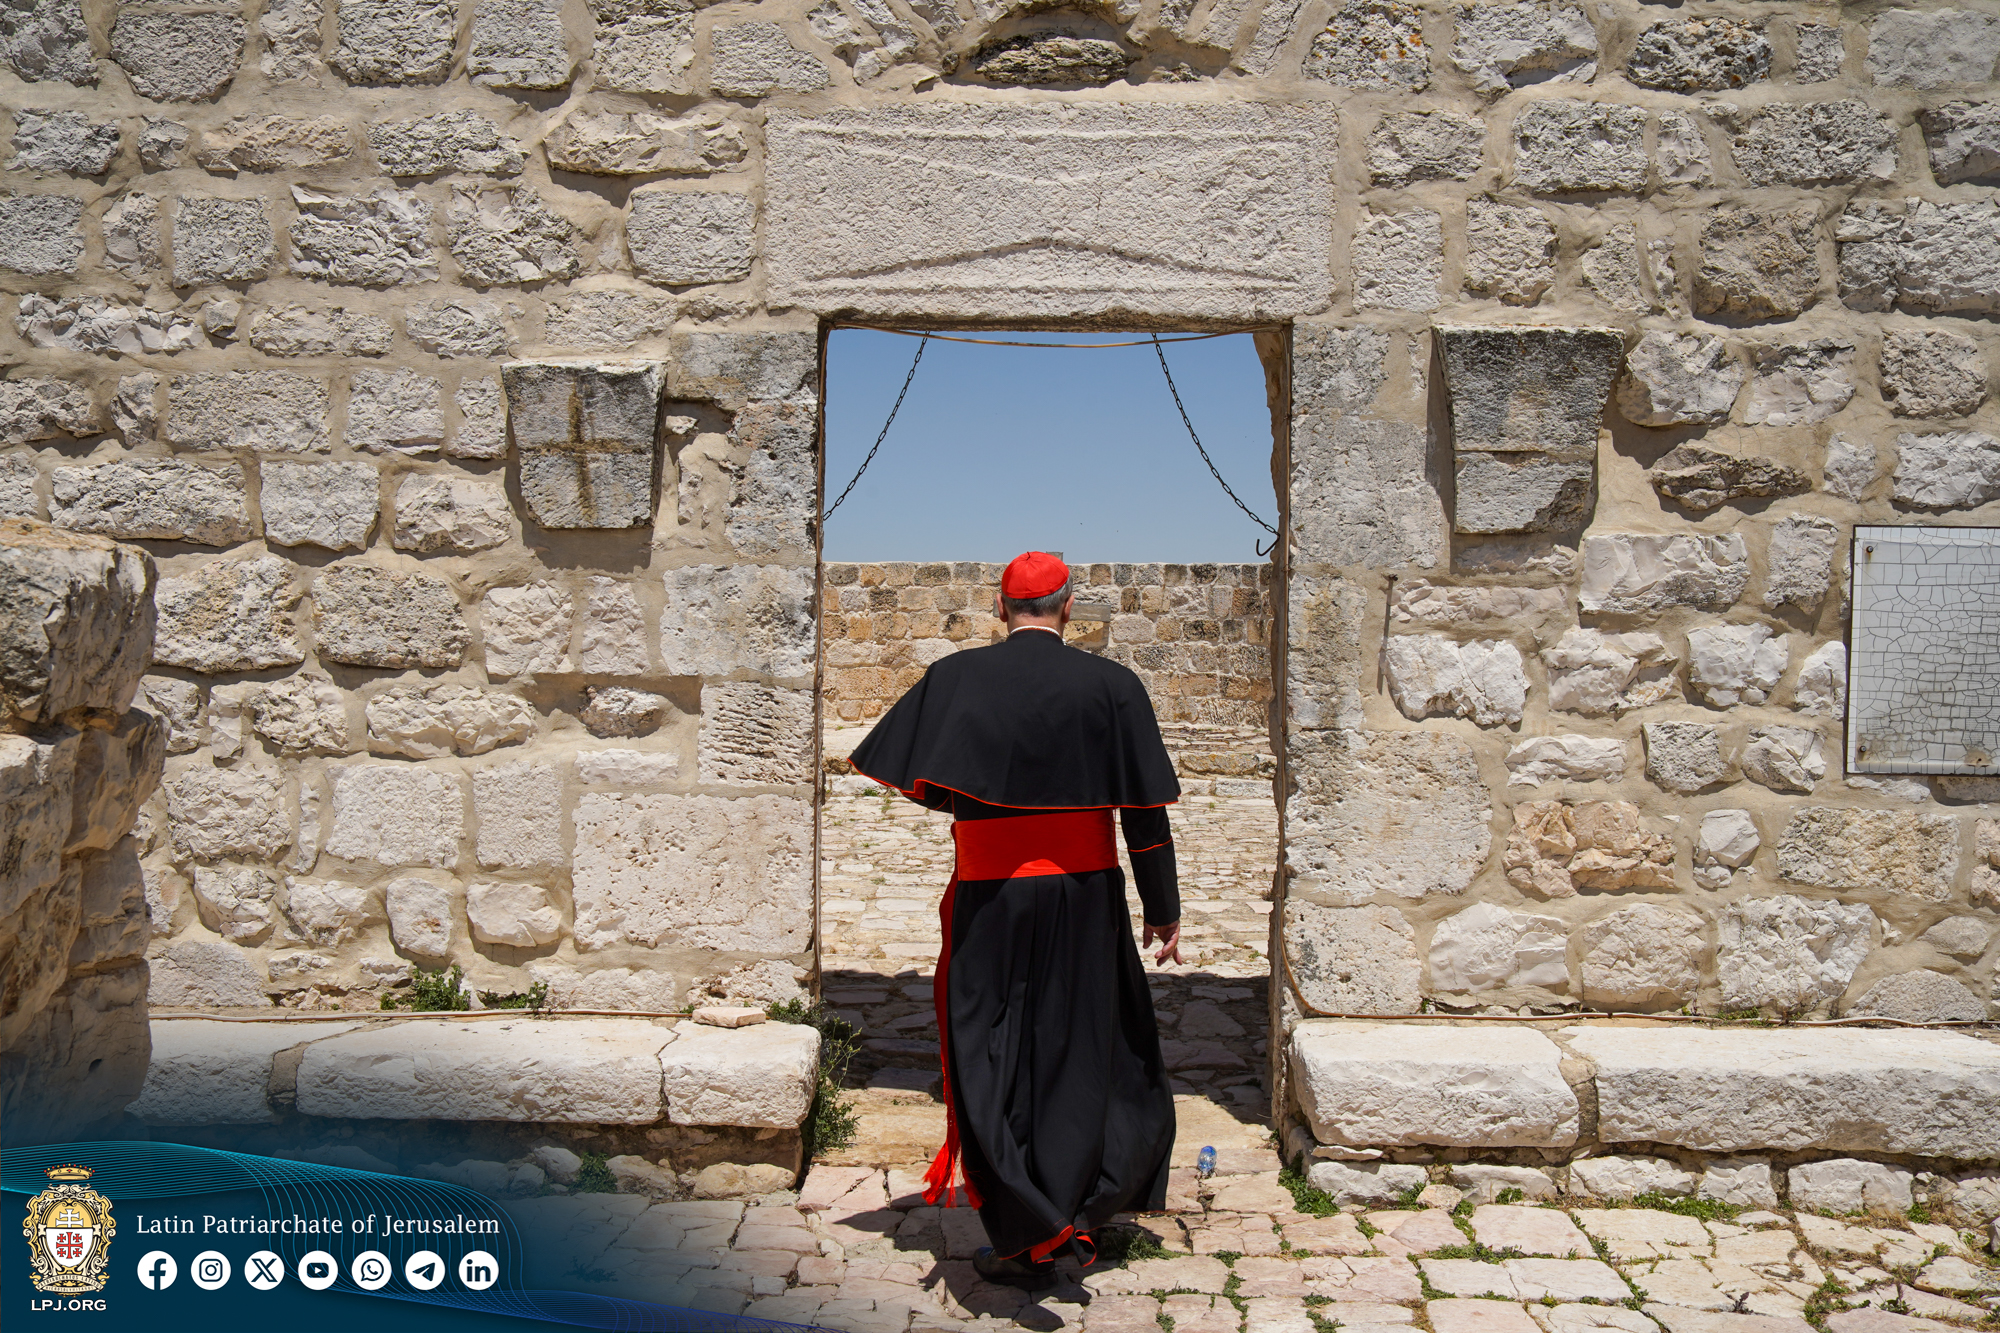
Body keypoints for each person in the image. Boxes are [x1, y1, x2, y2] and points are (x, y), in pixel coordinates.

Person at [849, 550, 1183, 1290]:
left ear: (999, 608)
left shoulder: (955, 679)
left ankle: (1027, 1222)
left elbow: (925, 779)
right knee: (1082, 1048)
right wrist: (1164, 909)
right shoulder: (1114, 686)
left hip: (989, 897)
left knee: (986, 1054)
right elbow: (1145, 813)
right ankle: (1073, 1208)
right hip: (1088, 897)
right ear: (1070, 609)